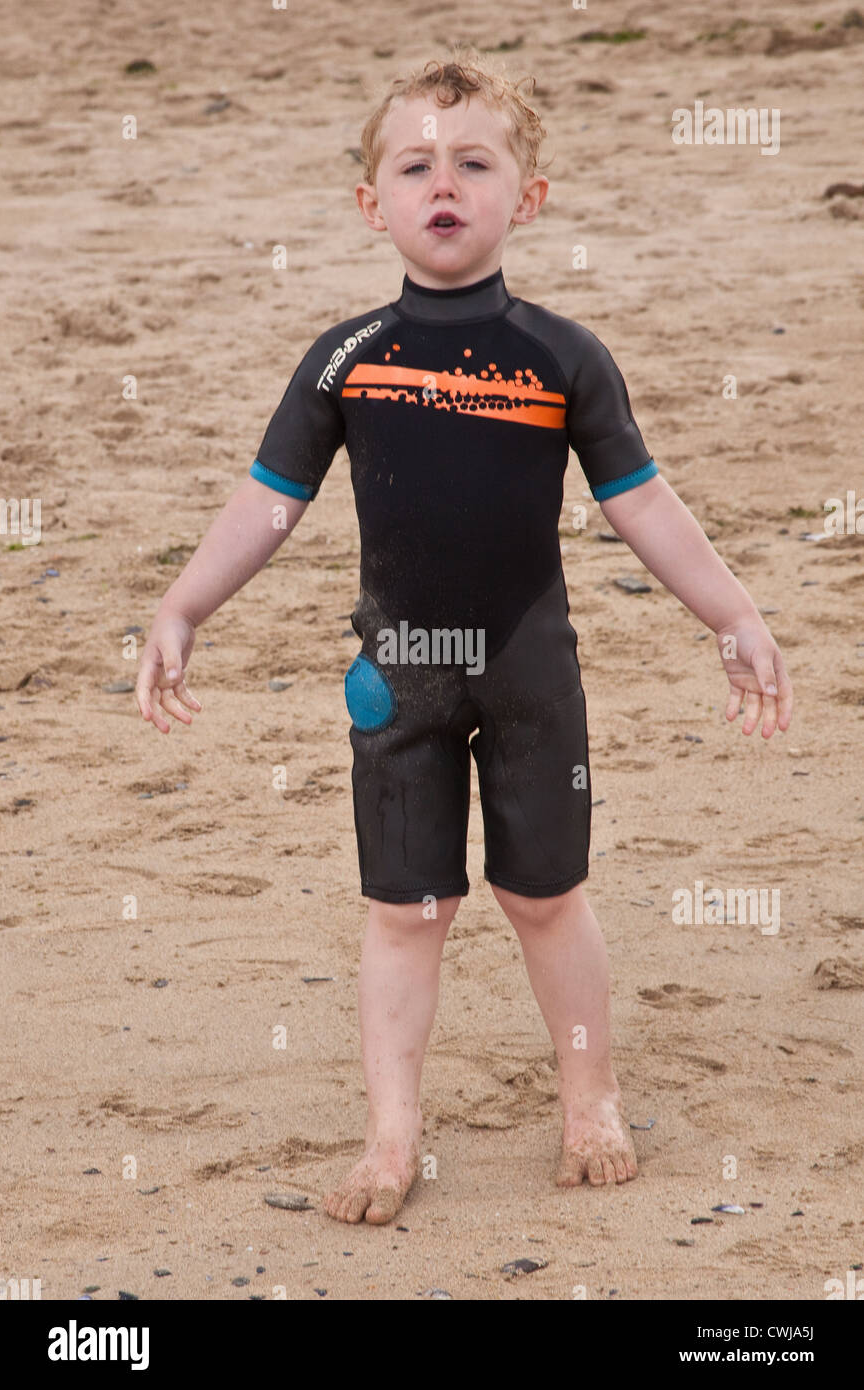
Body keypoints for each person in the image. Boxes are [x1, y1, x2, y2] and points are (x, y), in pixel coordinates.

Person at [136, 53, 793, 1226]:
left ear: (524, 197)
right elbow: (268, 501)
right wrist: (183, 605)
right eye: (415, 165)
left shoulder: (562, 356)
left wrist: (733, 613)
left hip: (531, 667)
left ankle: (587, 1096)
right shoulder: (345, 358)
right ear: (371, 203)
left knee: (546, 895)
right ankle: (391, 1137)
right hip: (400, 679)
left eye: (474, 163)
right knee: (405, 907)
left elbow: (638, 500)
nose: (444, 183)